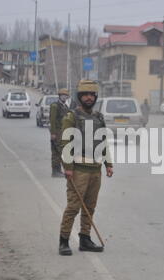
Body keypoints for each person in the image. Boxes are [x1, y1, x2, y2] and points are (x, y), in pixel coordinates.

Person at [58, 80, 113, 256]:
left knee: (90, 207)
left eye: (92, 95)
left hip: (95, 169)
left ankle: (85, 238)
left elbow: (103, 142)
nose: (89, 97)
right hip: (78, 170)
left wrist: (108, 163)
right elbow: (65, 142)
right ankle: (64, 241)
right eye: (85, 95)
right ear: (80, 97)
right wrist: (67, 167)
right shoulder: (71, 116)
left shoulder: (99, 117)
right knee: (74, 206)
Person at [50, 88, 70, 177]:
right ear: (59, 96)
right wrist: (53, 133)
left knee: (59, 152)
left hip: (63, 132)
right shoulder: (55, 106)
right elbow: (52, 120)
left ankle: (58, 170)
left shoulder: (65, 106)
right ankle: (55, 171)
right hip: (57, 132)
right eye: (63, 95)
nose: (64, 97)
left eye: (66, 96)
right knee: (57, 152)